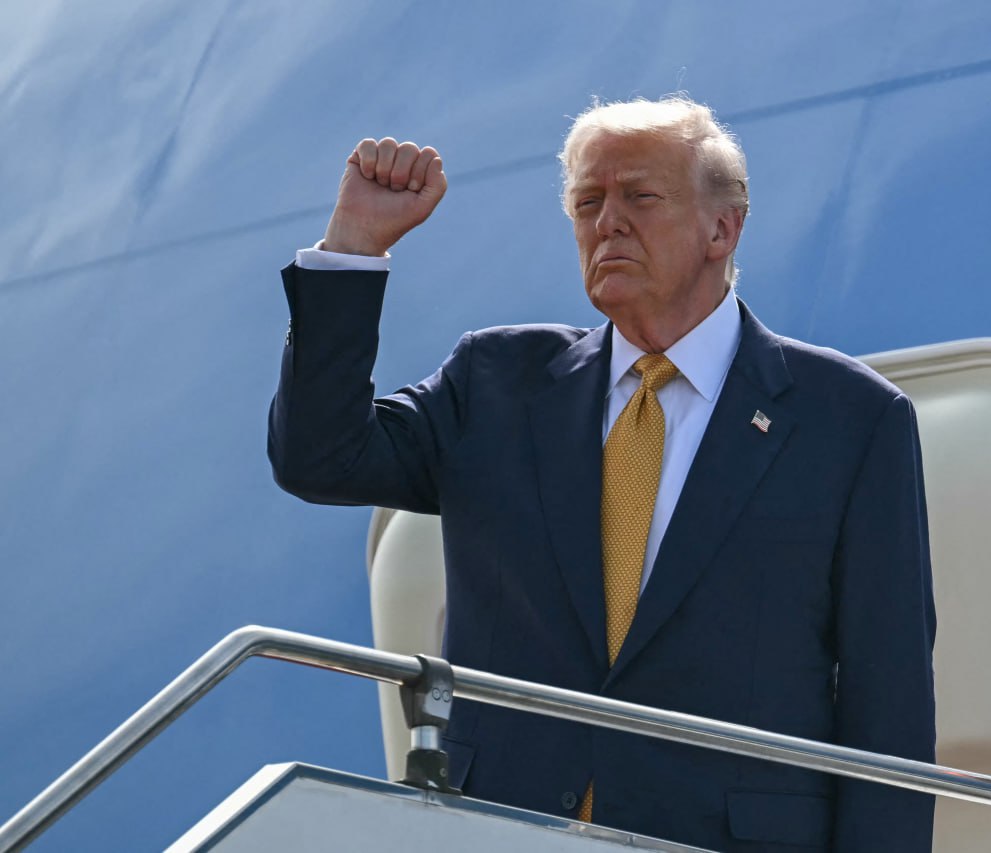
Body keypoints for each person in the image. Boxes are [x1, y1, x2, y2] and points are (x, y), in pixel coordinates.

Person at [270, 95, 936, 852]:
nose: (607, 221)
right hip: (502, 832)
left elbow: (890, 702)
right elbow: (320, 458)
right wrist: (355, 247)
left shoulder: (849, 419)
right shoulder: (495, 382)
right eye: (588, 202)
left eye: (640, 196)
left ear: (723, 228)